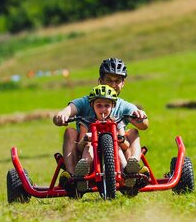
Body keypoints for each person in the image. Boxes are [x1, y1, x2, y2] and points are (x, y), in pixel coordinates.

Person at [53, 58, 148, 187]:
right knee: (70, 132)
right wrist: (62, 116)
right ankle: (72, 177)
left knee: (133, 132)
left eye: (117, 81)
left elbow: (144, 125)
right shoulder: (87, 102)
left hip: (117, 151)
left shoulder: (124, 106)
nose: (113, 84)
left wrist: (140, 116)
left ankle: (132, 170)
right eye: (109, 80)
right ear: (100, 81)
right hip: (86, 152)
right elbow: (66, 112)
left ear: (123, 83)